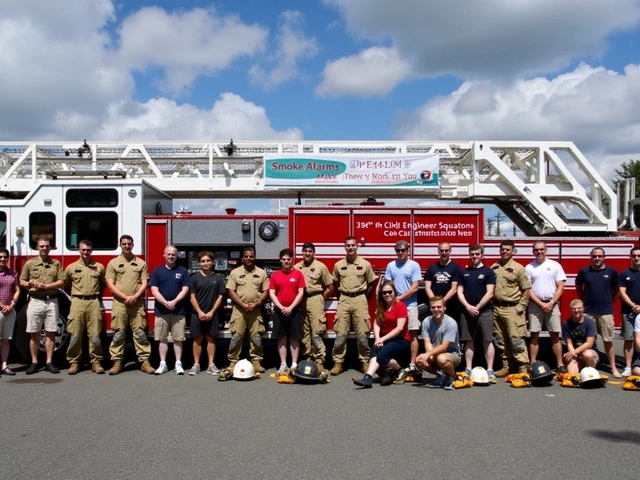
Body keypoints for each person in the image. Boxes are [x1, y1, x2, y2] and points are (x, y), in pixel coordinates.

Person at [106, 235, 155, 375]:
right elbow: (110, 284)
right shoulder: (113, 263)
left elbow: (144, 282)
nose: (127, 246)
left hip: (136, 303)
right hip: (120, 304)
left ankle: (145, 362)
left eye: (129, 244)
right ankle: (117, 362)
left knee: (140, 333)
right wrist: (126, 297)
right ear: (120, 245)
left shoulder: (140, 263)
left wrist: (134, 296)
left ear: (133, 245)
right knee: (119, 334)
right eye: (124, 244)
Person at [329, 236, 377, 376]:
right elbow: (335, 283)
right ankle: (338, 363)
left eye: (353, 245)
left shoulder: (365, 264)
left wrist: (362, 297)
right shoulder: (338, 265)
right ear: (344, 247)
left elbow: (372, 283)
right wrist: (344, 297)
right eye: (348, 245)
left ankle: (365, 362)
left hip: (360, 299)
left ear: (357, 247)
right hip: (344, 298)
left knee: (362, 333)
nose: (350, 248)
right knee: (340, 333)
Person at [19, 237, 65, 375]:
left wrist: (46, 286)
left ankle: (49, 362)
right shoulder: (29, 263)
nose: (44, 248)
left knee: (51, 333)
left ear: (50, 248)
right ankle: (34, 362)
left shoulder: (55, 264)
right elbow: (21, 281)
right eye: (42, 246)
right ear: (37, 248)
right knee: (34, 333)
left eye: (47, 246)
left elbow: (61, 282)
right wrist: (30, 284)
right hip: (35, 301)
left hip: (51, 301)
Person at [354, 280, 410, 388]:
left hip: (401, 339)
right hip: (386, 338)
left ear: (395, 292)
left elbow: (399, 328)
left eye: (390, 292)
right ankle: (368, 377)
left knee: (382, 356)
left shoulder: (400, 306)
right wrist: (377, 339)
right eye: (384, 293)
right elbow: (377, 324)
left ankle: (400, 370)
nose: (387, 295)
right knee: (375, 350)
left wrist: (382, 339)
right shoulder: (381, 306)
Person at [575, 247, 621, 378]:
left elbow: (617, 290)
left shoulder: (611, 271)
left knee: (608, 341)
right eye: (594, 256)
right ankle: (588, 367)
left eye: (599, 256)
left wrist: (610, 302)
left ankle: (613, 368)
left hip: (605, 312)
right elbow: (578, 287)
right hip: (589, 312)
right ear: (591, 257)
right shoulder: (584, 271)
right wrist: (584, 300)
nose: (597, 259)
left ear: (604, 257)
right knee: (587, 342)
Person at [64, 240, 106, 374]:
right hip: (77, 301)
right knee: (75, 333)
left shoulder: (99, 267)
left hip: (94, 301)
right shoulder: (71, 267)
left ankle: (96, 361)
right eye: (83, 249)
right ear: (79, 250)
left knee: (95, 334)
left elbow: (102, 284)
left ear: (92, 250)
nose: (85, 252)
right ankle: (74, 362)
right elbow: (66, 284)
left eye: (88, 250)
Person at [226, 246, 269, 373]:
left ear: (254, 257)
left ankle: (256, 360)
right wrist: (242, 304)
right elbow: (230, 290)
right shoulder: (235, 273)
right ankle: (233, 361)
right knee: (236, 336)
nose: (249, 258)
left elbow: (266, 290)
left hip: (255, 310)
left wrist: (258, 303)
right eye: (246, 256)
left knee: (256, 337)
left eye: (251, 256)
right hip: (239, 310)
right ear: (242, 258)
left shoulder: (261, 273)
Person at [457, 244, 496, 382]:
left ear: (482, 255)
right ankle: (468, 368)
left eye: (477, 254)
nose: (474, 257)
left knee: (487, 340)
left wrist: (477, 307)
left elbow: (490, 293)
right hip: (467, 312)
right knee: (468, 340)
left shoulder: (488, 272)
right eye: (472, 254)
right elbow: (459, 291)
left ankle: (490, 369)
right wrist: (468, 307)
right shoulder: (464, 272)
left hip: (484, 311)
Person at [491, 240, 531, 377]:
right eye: (502, 249)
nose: (504, 251)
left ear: (513, 251)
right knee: (500, 339)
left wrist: (520, 308)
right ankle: (507, 366)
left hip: (513, 308)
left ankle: (523, 368)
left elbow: (526, 290)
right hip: (497, 308)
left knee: (517, 339)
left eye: (508, 249)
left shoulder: (519, 268)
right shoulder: (494, 268)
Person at [525, 241, 566, 371]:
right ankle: (533, 364)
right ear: (533, 252)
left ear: (546, 250)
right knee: (534, 336)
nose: (539, 252)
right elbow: (527, 290)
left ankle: (560, 364)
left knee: (555, 336)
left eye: (541, 249)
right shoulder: (529, 267)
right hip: (535, 305)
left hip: (552, 304)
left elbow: (561, 286)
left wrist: (551, 302)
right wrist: (541, 304)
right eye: (536, 250)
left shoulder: (555, 265)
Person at [150, 245, 190, 375]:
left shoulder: (183, 271)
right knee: (162, 338)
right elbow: (154, 290)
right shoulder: (157, 271)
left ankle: (178, 363)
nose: (171, 256)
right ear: (164, 255)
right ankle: (163, 364)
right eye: (169, 254)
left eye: (173, 254)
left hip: (178, 311)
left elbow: (185, 289)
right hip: (161, 311)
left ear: (177, 256)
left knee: (178, 338)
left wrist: (174, 302)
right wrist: (165, 302)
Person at [384, 240, 422, 377]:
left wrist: (399, 298)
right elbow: (388, 285)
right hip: (394, 307)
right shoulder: (391, 265)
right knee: (394, 334)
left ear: (408, 251)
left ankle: (412, 364)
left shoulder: (414, 265)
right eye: (398, 250)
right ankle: (395, 363)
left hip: (410, 306)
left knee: (412, 335)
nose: (400, 253)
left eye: (403, 250)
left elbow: (415, 287)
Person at [294, 242, 333, 371]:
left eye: (310, 251)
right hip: (301, 300)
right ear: (302, 252)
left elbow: (330, 286)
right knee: (304, 332)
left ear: (314, 253)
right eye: (305, 251)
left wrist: (321, 298)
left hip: (315, 299)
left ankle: (319, 360)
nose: (307, 253)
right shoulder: (296, 267)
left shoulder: (320, 266)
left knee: (316, 331)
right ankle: (307, 358)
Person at [188, 251, 226, 375]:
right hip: (197, 314)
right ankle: (196, 365)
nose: (206, 263)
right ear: (199, 263)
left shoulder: (218, 278)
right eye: (203, 261)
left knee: (211, 339)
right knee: (197, 339)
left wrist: (212, 312)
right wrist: (199, 312)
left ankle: (211, 364)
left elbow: (220, 296)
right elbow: (192, 297)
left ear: (213, 262)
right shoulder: (194, 278)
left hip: (212, 314)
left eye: (208, 261)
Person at [269, 248, 306, 374]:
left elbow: (301, 292)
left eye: (288, 259)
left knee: (295, 338)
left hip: (294, 311)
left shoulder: (298, 274)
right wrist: (281, 307)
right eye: (284, 259)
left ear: (292, 260)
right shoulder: (275, 275)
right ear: (280, 260)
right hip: (280, 312)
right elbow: (272, 293)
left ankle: (294, 364)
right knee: (282, 338)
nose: (286, 262)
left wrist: (290, 307)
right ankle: (283, 363)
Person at [415, 296, 461, 390]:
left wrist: (428, 354)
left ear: (444, 308)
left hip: (452, 353)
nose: (436, 310)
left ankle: (452, 376)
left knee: (441, 358)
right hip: (434, 352)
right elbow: (427, 342)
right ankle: (441, 375)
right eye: (433, 307)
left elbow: (444, 347)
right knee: (419, 361)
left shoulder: (451, 323)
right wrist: (429, 356)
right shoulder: (426, 321)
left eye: (439, 307)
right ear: (430, 309)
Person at [425, 242, 463, 325]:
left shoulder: (456, 268)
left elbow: (454, 289)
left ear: (450, 251)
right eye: (442, 251)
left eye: (446, 250)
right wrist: (435, 302)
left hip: (451, 305)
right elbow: (427, 287)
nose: (444, 253)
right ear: (438, 251)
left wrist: (442, 301)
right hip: (436, 306)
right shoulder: (432, 268)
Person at [617, 246, 640, 377]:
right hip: (628, 311)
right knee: (629, 339)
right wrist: (633, 305)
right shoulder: (625, 274)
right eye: (634, 256)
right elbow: (621, 292)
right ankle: (628, 366)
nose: (636, 258)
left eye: (639, 255)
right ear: (630, 257)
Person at [561, 299, 599, 373]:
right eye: (574, 309)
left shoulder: (589, 323)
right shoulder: (566, 324)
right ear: (571, 310)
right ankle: (580, 366)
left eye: (579, 308)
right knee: (572, 373)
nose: (577, 311)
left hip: (589, 351)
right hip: (575, 353)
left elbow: (589, 343)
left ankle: (591, 371)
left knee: (588, 355)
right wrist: (572, 354)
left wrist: (574, 352)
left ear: (583, 309)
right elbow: (569, 343)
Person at [0, 248, 20, 375]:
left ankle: (4, 365)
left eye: (4, 257)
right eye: (0, 257)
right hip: (1, 309)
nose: (2, 259)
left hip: (10, 310)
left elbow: (17, 289)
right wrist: (2, 306)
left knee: (6, 339)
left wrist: (12, 304)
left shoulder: (13, 274)